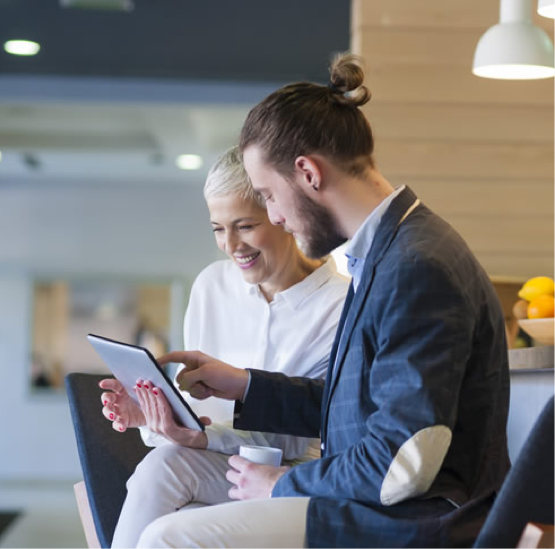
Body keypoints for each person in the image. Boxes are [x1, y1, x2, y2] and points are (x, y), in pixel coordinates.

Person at [137, 53, 511, 548]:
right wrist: (245, 385)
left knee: (169, 539)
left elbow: (404, 461)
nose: (275, 216)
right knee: (167, 489)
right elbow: (351, 411)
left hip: (417, 522)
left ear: (308, 174)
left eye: (268, 196)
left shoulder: (417, 266)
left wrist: (282, 484)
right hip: (376, 503)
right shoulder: (388, 250)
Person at [99, 146, 349, 548]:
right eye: (218, 228)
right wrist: (154, 414)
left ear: (282, 213)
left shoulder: (339, 308)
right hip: (212, 463)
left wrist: (202, 438)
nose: (231, 245)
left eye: (245, 226)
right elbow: (196, 419)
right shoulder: (211, 286)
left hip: (290, 478)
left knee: (173, 515)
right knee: (163, 468)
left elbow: (293, 441)